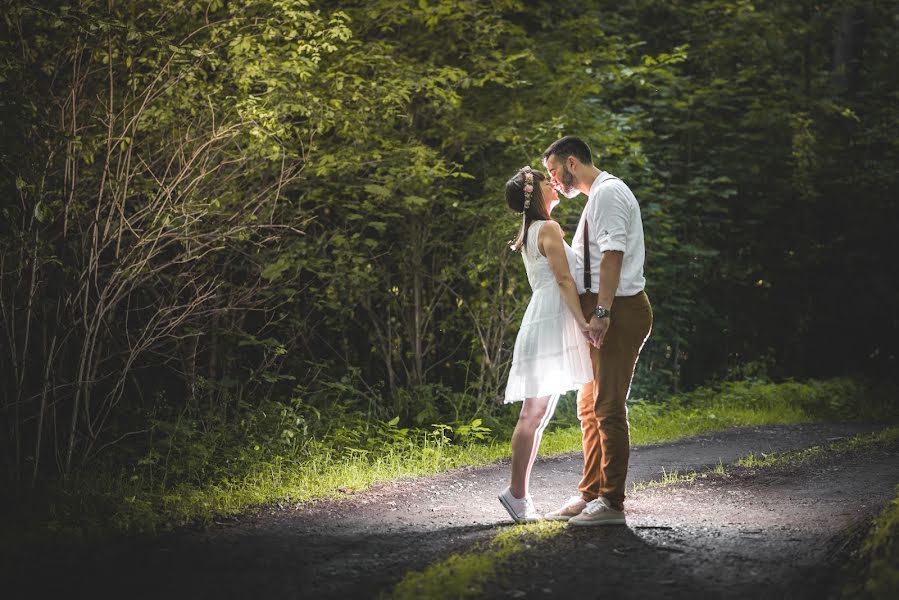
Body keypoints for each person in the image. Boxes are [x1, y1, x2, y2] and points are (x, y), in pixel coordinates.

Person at [541, 136, 652, 526]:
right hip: (605, 308)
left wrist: (602, 311)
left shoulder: (607, 193)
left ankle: (611, 502)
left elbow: (613, 255)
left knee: (606, 406)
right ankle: (590, 493)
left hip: (618, 309)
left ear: (572, 163)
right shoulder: (596, 199)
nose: (552, 181)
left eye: (554, 171)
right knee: (587, 406)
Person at [498, 165, 594, 523]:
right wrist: (583, 322)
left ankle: (518, 494)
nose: (552, 182)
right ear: (534, 193)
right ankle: (517, 494)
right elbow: (565, 279)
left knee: (538, 415)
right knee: (533, 415)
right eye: (544, 180)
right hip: (551, 320)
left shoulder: (532, 229)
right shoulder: (548, 228)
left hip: (547, 319)